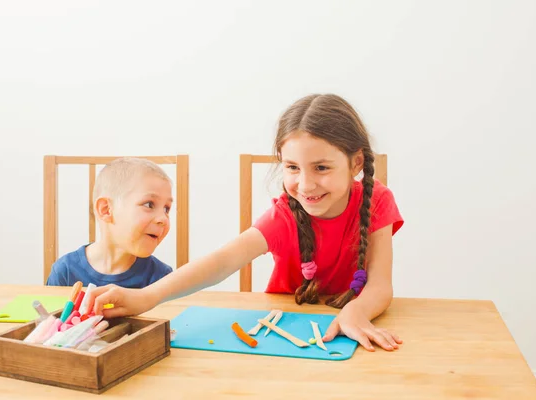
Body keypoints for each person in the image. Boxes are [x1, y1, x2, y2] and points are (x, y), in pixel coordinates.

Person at [86, 94, 404, 351]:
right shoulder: (286, 215)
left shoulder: (377, 200)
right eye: (292, 167)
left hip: (345, 333)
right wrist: (146, 297)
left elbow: (379, 285)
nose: (305, 185)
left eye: (321, 167)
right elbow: (222, 261)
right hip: (280, 334)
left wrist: (356, 312)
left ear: (356, 162)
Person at [46, 157, 174, 288]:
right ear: (106, 210)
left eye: (166, 209)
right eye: (149, 204)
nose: (163, 219)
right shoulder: (65, 271)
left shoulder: (162, 278)